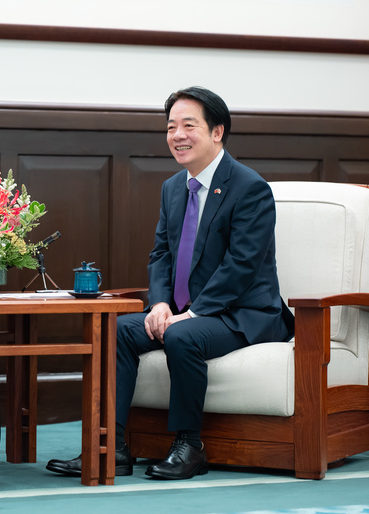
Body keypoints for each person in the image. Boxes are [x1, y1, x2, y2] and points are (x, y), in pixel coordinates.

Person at [46, 86, 294, 480]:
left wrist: (192, 313)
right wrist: (160, 304)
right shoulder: (173, 188)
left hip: (242, 313)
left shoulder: (250, 188)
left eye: (188, 125)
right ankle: (111, 446)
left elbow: (242, 265)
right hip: (185, 310)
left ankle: (189, 446)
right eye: (171, 127)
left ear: (217, 131)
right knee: (114, 329)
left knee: (183, 336)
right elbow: (161, 255)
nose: (177, 135)